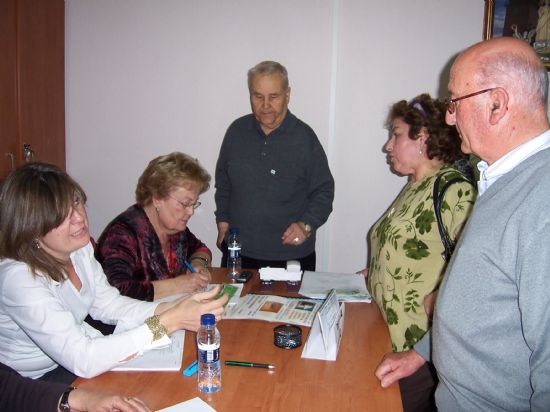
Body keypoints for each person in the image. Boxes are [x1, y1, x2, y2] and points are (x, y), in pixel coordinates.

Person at [375, 37, 550, 410]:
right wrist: (424, 352)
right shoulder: (499, 180)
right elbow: (483, 301)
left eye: (455, 102)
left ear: (497, 104)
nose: (449, 117)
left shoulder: (542, 200)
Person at [0, 162, 228, 384]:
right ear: (31, 228)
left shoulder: (79, 250)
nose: (79, 217)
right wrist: (168, 321)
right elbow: (84, 358)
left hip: (72, 360)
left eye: (76, 202)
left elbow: (110, 305)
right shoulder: (19, 279)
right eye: (62, 214)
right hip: (30, 381)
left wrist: (171, 309)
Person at [357, 93, 475, 412]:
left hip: (418, 350)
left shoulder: (453, 190)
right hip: (386, 336)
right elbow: (419, 250)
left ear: (422, 136)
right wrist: (377, 271)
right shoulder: (416, 185)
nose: (388, 145)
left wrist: (441, 294)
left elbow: (476, 274)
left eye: (396, 134)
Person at [214, 60, 334, 271]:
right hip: (239, 255)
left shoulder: (304, 138)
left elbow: (324, 191)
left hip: (290, 258)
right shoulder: (236, 131)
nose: (265, 105)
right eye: (258, 96)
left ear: (288, 94)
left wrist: (306, 225)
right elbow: (224, 183)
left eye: (274, 96)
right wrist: (223, 222)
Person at [96, 152, 212, 301]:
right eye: (185, 203)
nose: (191, 211)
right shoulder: (122, 235)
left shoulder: (173, 229)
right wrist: (178, 285)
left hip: (164, 315)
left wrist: (198, 265)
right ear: (157, 199)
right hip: (131, 323)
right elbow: (117, 290)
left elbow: (200, 249)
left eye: (194, 204)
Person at [0, 361, 150, 412]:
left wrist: (80, 399)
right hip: (48, 374)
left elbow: (6, 387)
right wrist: (158, 326)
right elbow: (81, 354)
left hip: (34, 390)